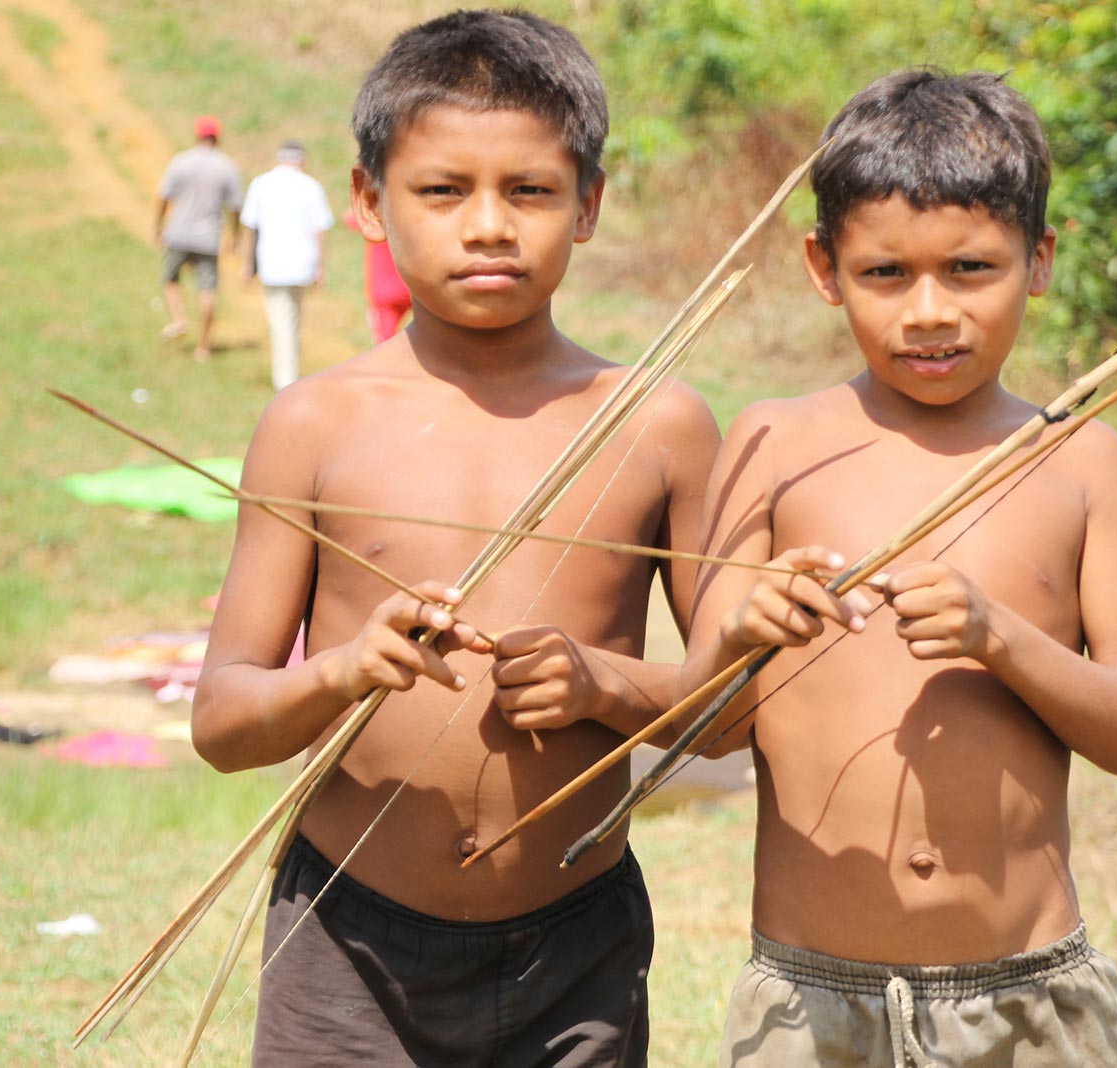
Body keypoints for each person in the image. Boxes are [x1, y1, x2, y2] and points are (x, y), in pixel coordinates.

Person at [190, 12, 719, 1067]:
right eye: (442, 191)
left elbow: (737, 713)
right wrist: (343, 671)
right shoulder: (313, 425)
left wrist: (602, 685)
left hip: (578, 941)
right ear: (367, 204)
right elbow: (222, 723)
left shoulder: (656, 423)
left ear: (590, 205)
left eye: (529, 191)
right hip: (346, 939)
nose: (488, 226)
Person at [682, 69, 1117, 1067]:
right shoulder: (774, 443)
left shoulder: (1076, 459)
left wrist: (999, 637)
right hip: (808, 1004)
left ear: (1037, 261)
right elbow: (702, 730)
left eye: (970, 269)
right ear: (824, 267)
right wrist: (742, 635)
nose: (929, 312)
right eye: (885, 275)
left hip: (1027, 995)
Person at [242, 141, 335, 389]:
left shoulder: (261, 184)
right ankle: (288, 374)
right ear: (301, 160)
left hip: (271, 262)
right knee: (291, 318)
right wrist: (320, 266)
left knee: (281, 319)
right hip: (302, 262)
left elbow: (251, 228)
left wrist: (247, 265)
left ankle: (285, 380)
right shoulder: (312, 186)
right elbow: (320, 231)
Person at [156, 115, 243, 362]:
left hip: (178, 233)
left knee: (170, 279)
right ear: (218, 138)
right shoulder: (227, 166)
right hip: (208, 237)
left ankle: (179, 318)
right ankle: (203, 347)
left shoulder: (180, 162)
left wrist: (157, 225)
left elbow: (163, 196)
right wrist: (235, 235)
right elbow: (235, 207)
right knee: (207, 290)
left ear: (197, 136)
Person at [352, 208, 414, 341]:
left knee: (383, 343)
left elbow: (351, 218)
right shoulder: (413, 219)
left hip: (384, 294)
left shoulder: (375, 220)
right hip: (413, 289)